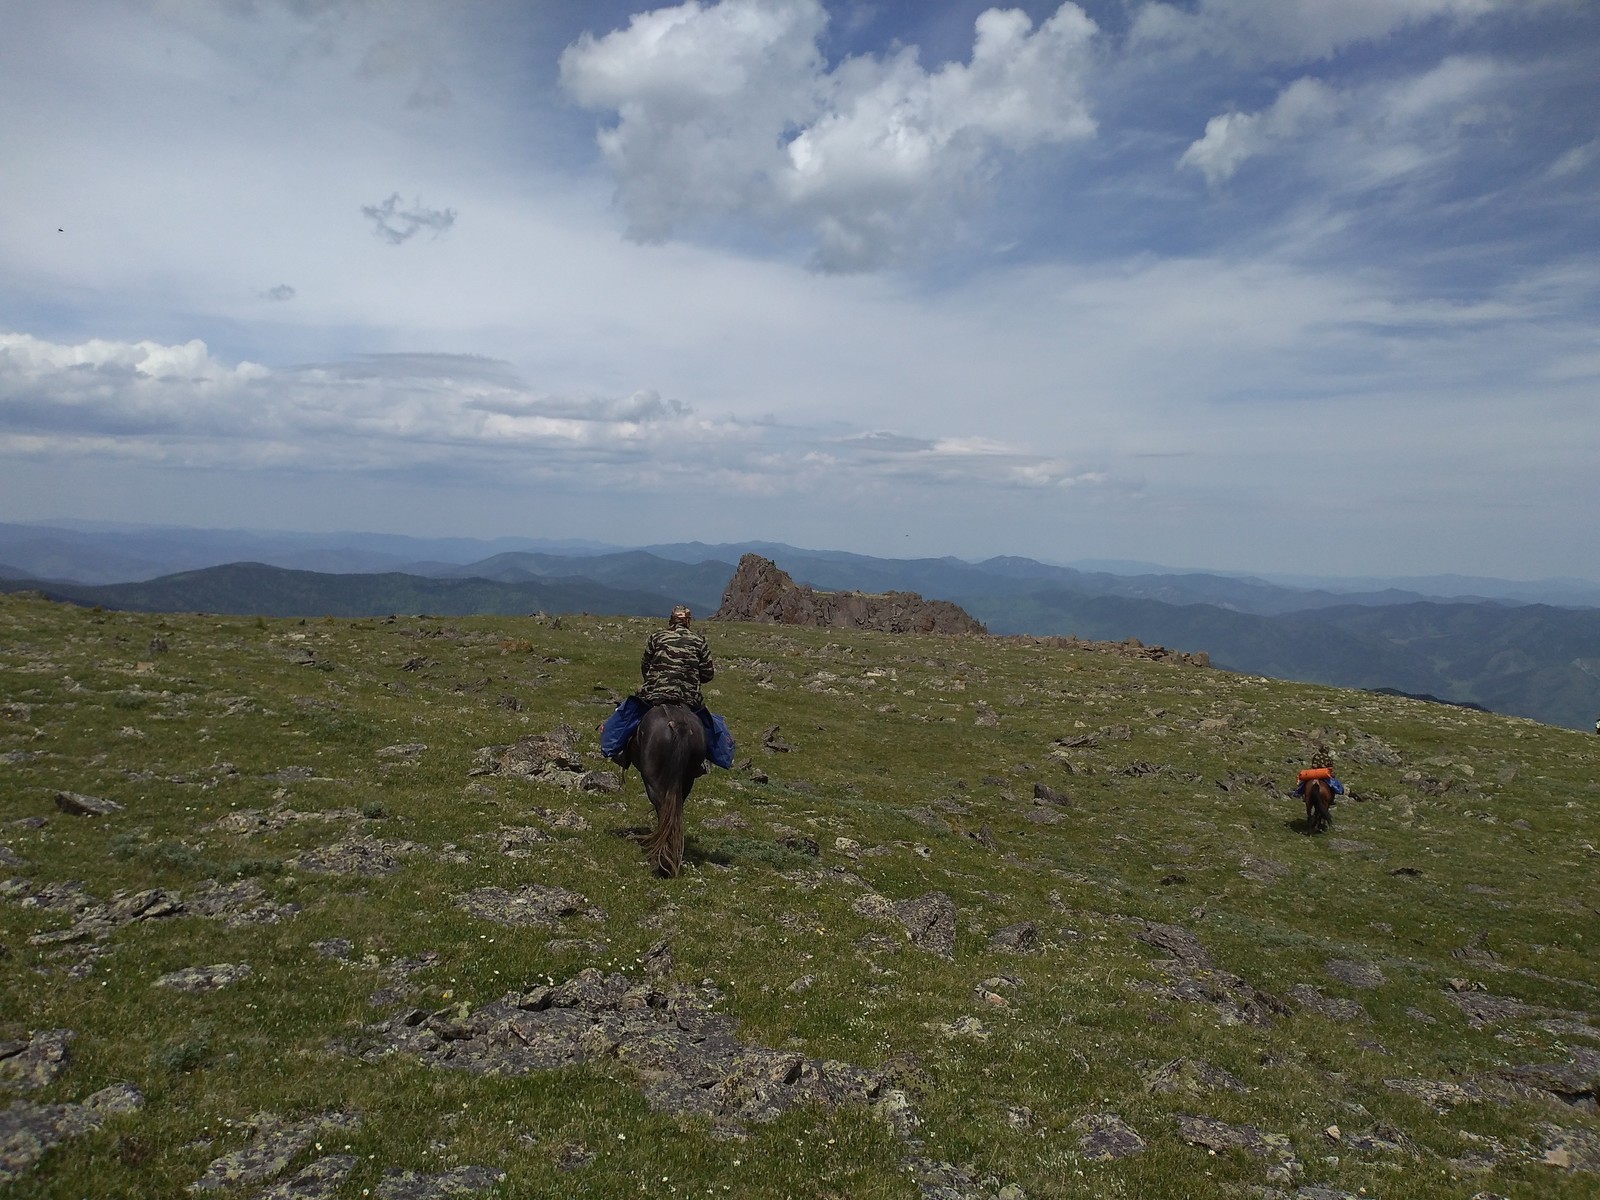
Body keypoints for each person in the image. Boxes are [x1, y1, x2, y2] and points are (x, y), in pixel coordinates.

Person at [601, 606, 735, 770]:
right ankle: (710, 758)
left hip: (656, 693)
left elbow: (645, 666)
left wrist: (652, 682)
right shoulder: (699, 641)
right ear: (688, 621)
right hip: (688, 698)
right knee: (710, 726)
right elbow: (708, 674)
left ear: (671, 620)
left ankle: (616, 750)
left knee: (626, 714)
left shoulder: (657, 637)